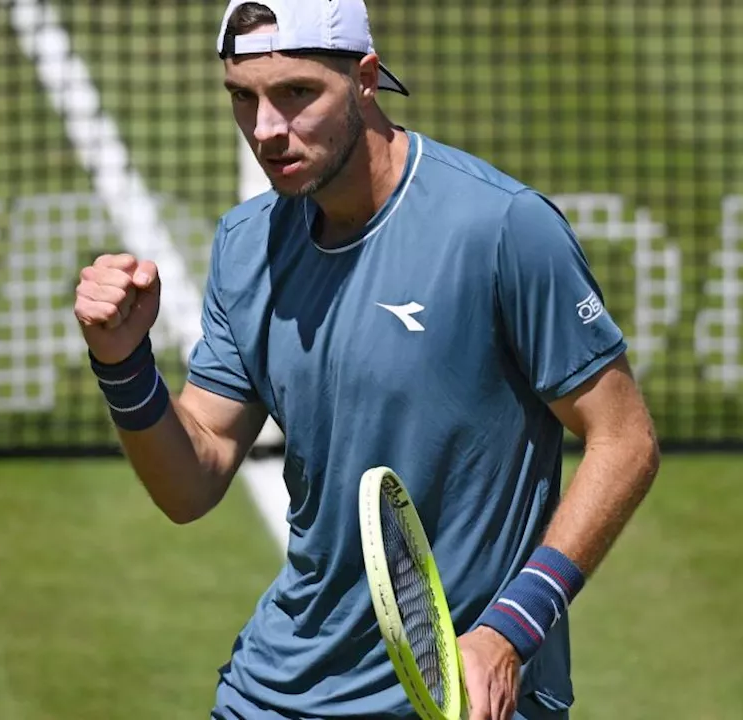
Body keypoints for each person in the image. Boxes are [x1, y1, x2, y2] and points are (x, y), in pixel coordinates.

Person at [73, 0, 661, 718]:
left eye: (296, 95)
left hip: (463, 694)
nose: (265, 130)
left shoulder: (501, 228)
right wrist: (124, 364)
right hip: (279, 693)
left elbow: (625, 439)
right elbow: (189, 484)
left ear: (364, 79)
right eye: (242, 98)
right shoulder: (246, 244)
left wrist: (509, 634)